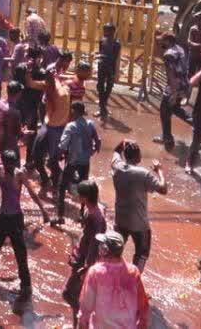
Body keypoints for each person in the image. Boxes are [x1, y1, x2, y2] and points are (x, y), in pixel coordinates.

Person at [0, 149, 48, 302]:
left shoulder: (19, 174)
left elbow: (32, 194)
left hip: (15, 219)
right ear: (3, 162)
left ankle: (26, 287)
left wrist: (43, 211)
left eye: (10, 165)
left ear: (14, 163)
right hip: (2, 218)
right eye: (6, 164)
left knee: (20, 254)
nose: (8, 167)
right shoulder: (0, 170)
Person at [110, 140, 166, 271]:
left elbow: (116, 151)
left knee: (114, 251)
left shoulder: (117, 166)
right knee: (141, 254)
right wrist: (160, 171)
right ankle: (133, 281)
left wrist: (123, 141)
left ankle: (111, 274)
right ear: (137, 157)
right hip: (139, 224)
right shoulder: (142, 174)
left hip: (121, 220)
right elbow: (163, 189)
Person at [77, 231, 150, 329]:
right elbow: (143, 307)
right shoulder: (133, 272)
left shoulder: (95, 272)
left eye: (102, 245)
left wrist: (82, 325)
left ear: (105, 250)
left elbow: (85, 309)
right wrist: (142, 324)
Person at [63, 180, 106, 323]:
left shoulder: (94, 216)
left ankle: (82, 321)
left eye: (80, 194)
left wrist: (87, 266)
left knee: (69, 294)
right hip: (83, 254)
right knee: (76, 294)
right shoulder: (94, 209)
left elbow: (95, 242)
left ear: (85, 197)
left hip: (86, 259)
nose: (77, 196)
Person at [56, 101, 100, 224]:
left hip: (72, 161)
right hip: (85, 162)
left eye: (71, 110)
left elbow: (63, 145)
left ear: (74, 111)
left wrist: (58, 157)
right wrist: (90, 152)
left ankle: (60, 216)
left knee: (61, 187)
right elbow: (98, 142)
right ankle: (82, 214)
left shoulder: (71, 126)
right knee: (84, 188)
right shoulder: (90, 124)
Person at [154, 32, 189, 151]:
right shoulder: (180, 49)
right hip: (183, 84)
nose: (160, 43)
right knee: (176, 109)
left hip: (175, 86)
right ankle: (198, 124)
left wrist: (173, 92)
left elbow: (171, 75)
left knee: (164, 110)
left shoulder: (169, 55)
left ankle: (167, 137)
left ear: (168, 41)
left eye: (162, 41)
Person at [94, 23, 120, 119]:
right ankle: (102, 107)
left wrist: (114, 71)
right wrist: (100, 57)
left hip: (110, 67)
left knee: (109, 86)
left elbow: (114, 58)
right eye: (104, 30)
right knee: (100, 86)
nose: (105, 32)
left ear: (113, 32)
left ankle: (103, 104)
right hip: (101, 66)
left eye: (107, 31)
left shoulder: (116, 43)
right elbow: (101, 51)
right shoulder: (102, 40)